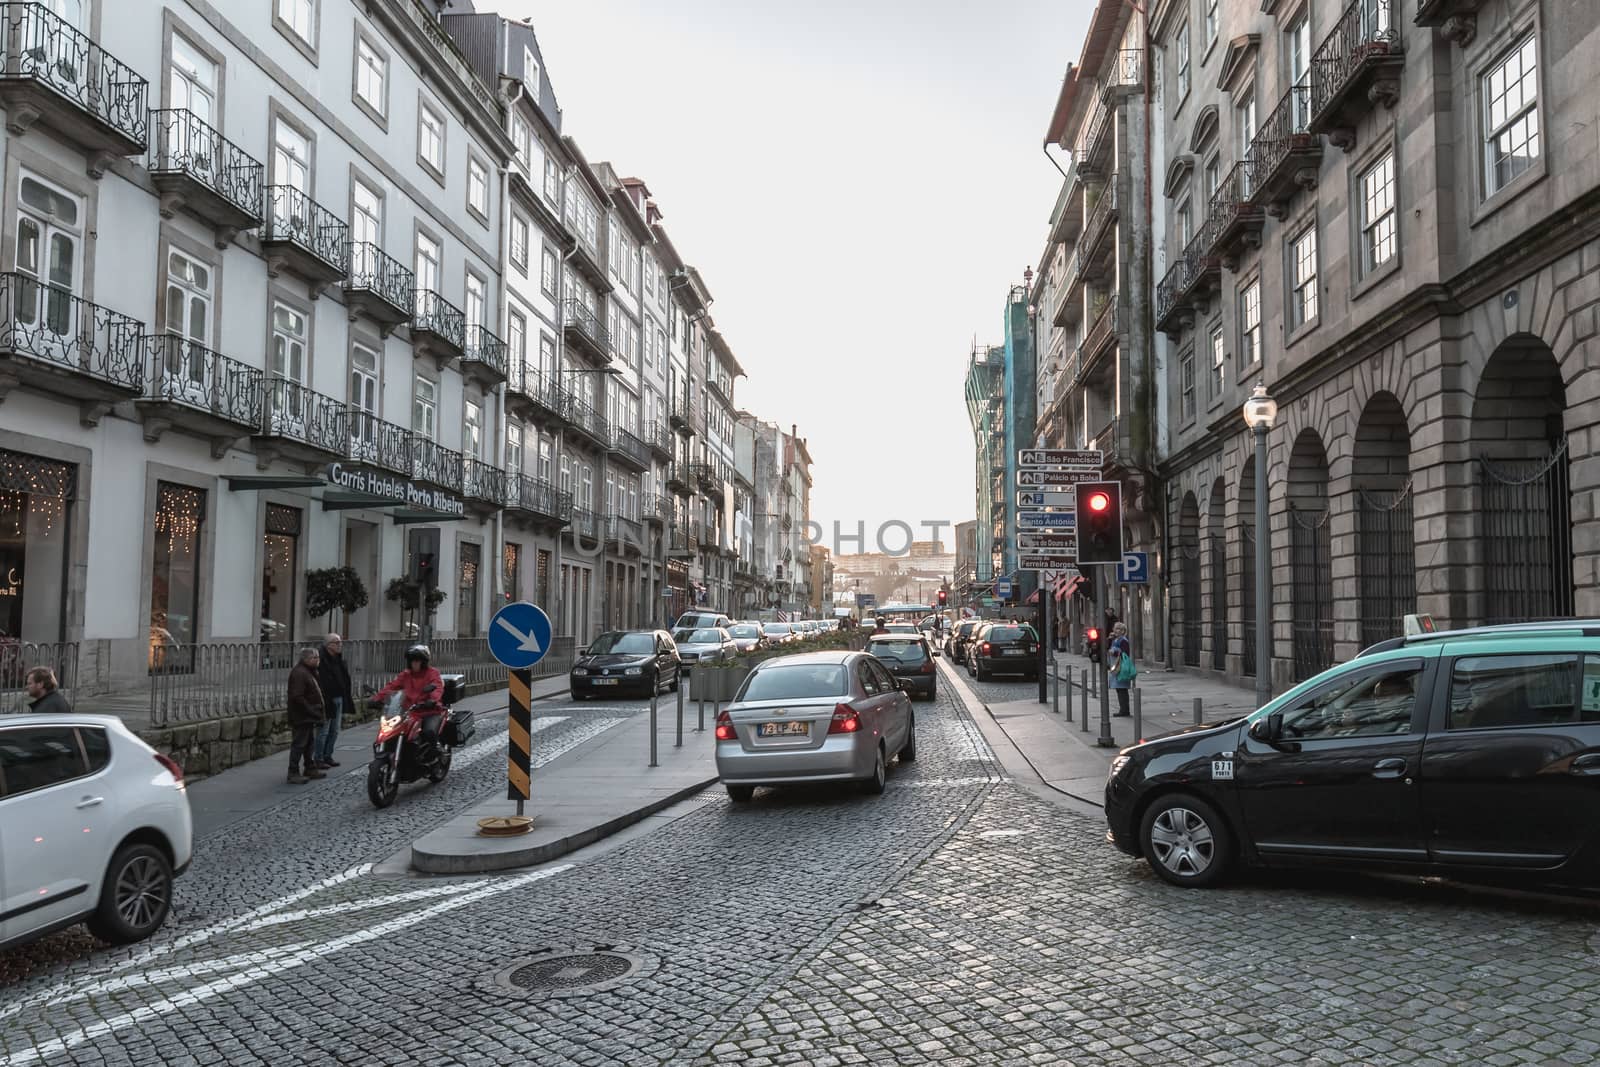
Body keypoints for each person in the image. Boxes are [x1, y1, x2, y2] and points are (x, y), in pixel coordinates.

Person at [372, 645, 445, 769]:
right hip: (409, 712)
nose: (415, 663)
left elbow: (437, 687)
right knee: (390, 731)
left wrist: (432, 700)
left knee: (429, 731)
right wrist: (376, 699)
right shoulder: (405, 675)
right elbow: (392, 686)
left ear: (423, 662)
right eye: (412, 660)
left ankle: (434, 753)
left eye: (418, 660)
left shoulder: (432, 673)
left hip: (429, 710)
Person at [286, 647, 327, 784]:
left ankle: (309, 767)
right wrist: (311, 710)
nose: (318, 660)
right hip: (301, 715)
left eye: (317, 657)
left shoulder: (309, 672)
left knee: (309, 743)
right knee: (299, 744)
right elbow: (297, 696)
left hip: (308, 715)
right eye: (315, 658)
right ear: (307, 659)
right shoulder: (300, 673)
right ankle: (293, 771)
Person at [314, 632, 353, 769]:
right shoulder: (321, 659)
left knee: (335, 730)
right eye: (337, 643)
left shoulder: (338, 659)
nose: (340, 645)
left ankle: (327, 755)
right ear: (328, 645)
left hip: (338, 697)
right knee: (323, 730)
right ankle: (318, 758)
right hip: (326, 699)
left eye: (340, 642)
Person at [1106, 622, 1134, 717]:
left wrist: (1114, 652)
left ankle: (1124, 710)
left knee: (1122, 689)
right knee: (1119, 689)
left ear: (1123, 631)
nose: (1116, 630)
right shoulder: (1115, 640)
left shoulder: (1123, 640)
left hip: (1121, 667)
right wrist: (1109, 640)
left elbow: (1124, 653)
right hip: (1115, 667)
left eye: (1118, 629)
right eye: (1115, 628)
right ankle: (1123, 709)